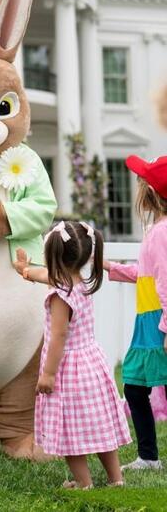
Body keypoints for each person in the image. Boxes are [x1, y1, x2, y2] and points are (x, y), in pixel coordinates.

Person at [14, 220, 130, 489]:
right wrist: (25, 270)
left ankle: (83, 483)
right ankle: (116, 479)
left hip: (68, 368)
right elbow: (46, 276)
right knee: (99, 426)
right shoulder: (79, 280)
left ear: (53, 257)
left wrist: (48, 374)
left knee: (70, 430)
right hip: (91, 363)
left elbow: (58, 336)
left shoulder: (60, 294)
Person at [103, 155, 167, 471]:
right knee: (135, 384)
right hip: (151, 321)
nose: (137, 185)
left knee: (139, 385)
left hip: (159, 323)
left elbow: (166, 280)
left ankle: (149, 457)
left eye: (142, 181)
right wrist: (111, 267)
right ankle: (149, 457)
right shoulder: (158, 230)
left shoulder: (161, 233)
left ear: (151, 193)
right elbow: (147, 273)